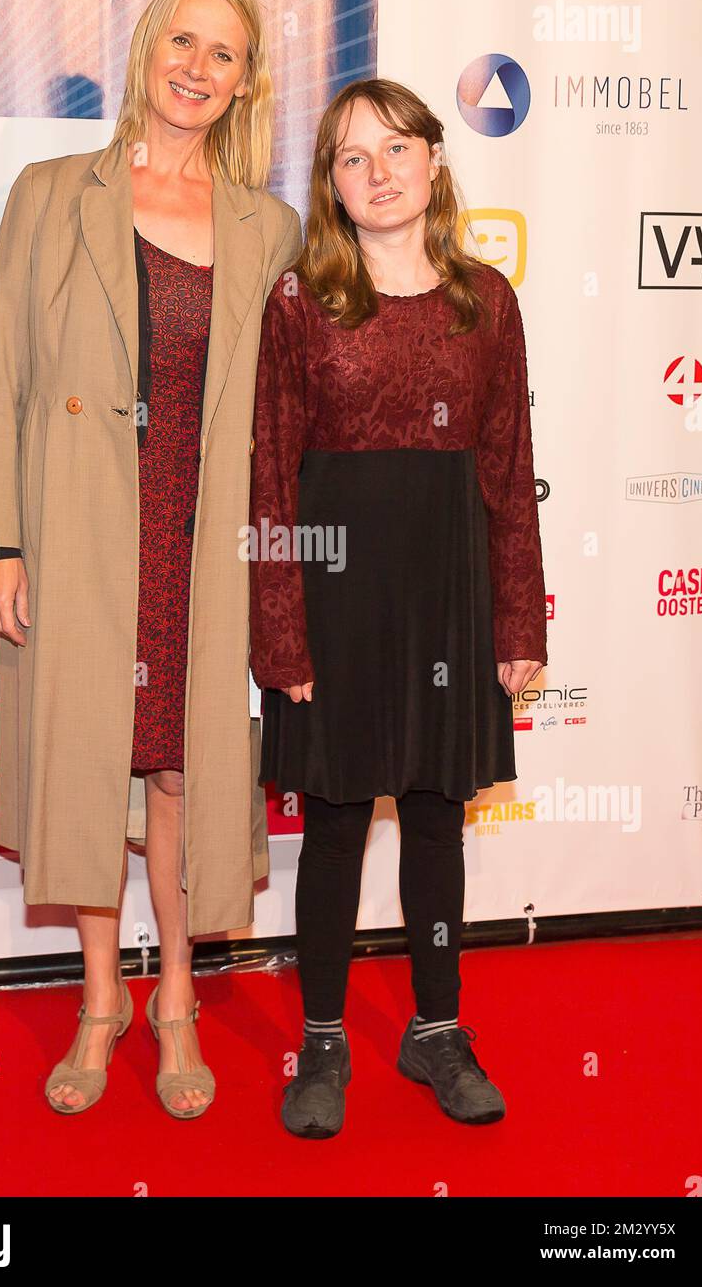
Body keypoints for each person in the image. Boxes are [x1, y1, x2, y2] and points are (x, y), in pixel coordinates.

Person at [0, 0, 302, 1118]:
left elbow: (282, 414)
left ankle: (175, 1002)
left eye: (225, 54)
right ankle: (97, 998)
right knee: (90, 772)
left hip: (201, 544)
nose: (197, 70)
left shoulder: (269, 225)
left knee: (176, 772)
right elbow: (5, 375)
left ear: (247, 82)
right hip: (80, 532)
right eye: (182, 43)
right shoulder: (51, 192)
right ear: (147, 47)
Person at [248, 78, 547, 1138]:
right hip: (330, 597)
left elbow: (507, 471)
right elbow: (267, 482)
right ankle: (320, 1038)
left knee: (432, 820)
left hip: (447, 595)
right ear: (328, 183)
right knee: (330, 827)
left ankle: (434, 1029)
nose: (376, 173)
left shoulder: (485, 300)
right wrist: (278, 628)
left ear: (432, 159)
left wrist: (518, 622)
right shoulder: (297, 302)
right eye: (348, 157)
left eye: (394, 149)